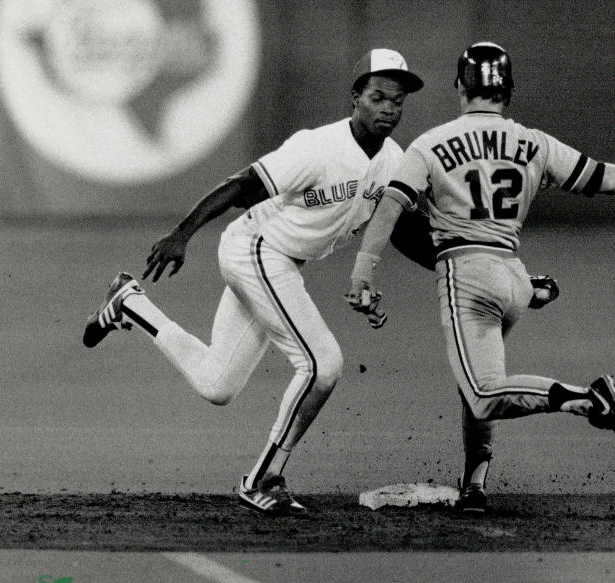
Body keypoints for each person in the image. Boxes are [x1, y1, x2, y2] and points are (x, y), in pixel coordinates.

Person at [83, 48, 423, 516]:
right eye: (379, 96)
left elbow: (400, 226)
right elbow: (242, 184)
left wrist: (450, 262)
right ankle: (263, 478)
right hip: (256, 252)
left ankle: (129, 304)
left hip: (279, 260)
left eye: (398, 100)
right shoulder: (318, 147)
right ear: (355, 98)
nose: (389, 108)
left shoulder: (392, 160)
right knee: (322, 365)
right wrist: (182, 234)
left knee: (217, 384)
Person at [346, 41, 615, 515]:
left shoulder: (431, 143)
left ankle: (586, 399)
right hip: (512, 275)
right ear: (508, 91)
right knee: (479, 382)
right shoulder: (535, 141)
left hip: (468, 275)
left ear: (461, 87)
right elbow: (600, 177)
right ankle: (475, 485)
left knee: (483, 394)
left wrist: (364, 267)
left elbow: (393, 205)